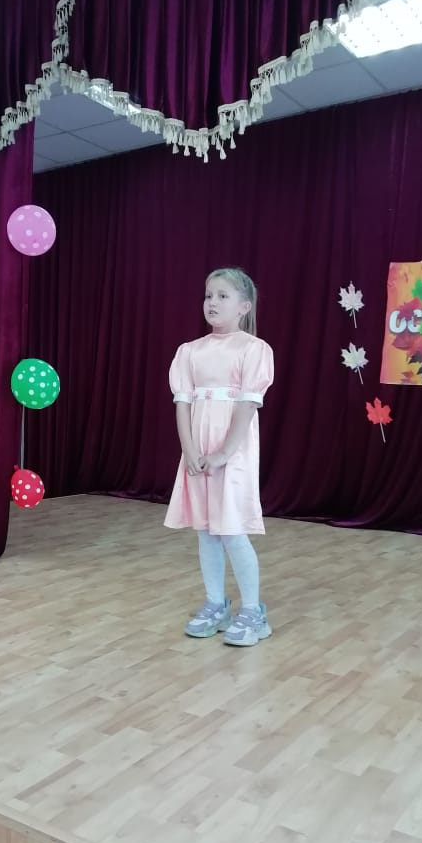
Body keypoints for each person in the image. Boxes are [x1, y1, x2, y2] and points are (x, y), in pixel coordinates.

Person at [165, 267, 274, 647]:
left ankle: (253, 611)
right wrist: (190, 451)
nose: (212, 302)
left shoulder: (253, 349)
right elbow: (183, 404)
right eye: (208, 295)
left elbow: (247, 406)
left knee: (231, 529)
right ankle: (215, 603)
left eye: (222, 296)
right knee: (206, 530)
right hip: (198, 452)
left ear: (244, 306)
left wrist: (225, 452)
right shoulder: (189, 352)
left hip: (232, 450)